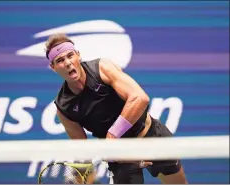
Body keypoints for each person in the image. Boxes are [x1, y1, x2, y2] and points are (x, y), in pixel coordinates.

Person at [44, 33, 188, 184]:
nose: (67, 63)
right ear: (53, 67)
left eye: (70, 55)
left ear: (78, 55)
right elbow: (82, 148)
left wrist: (112, 136)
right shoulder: (63, 107)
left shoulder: (101, 69)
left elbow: (140, 98)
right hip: (120, 157)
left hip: (151, 137)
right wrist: (83, 177)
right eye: (60, 60)